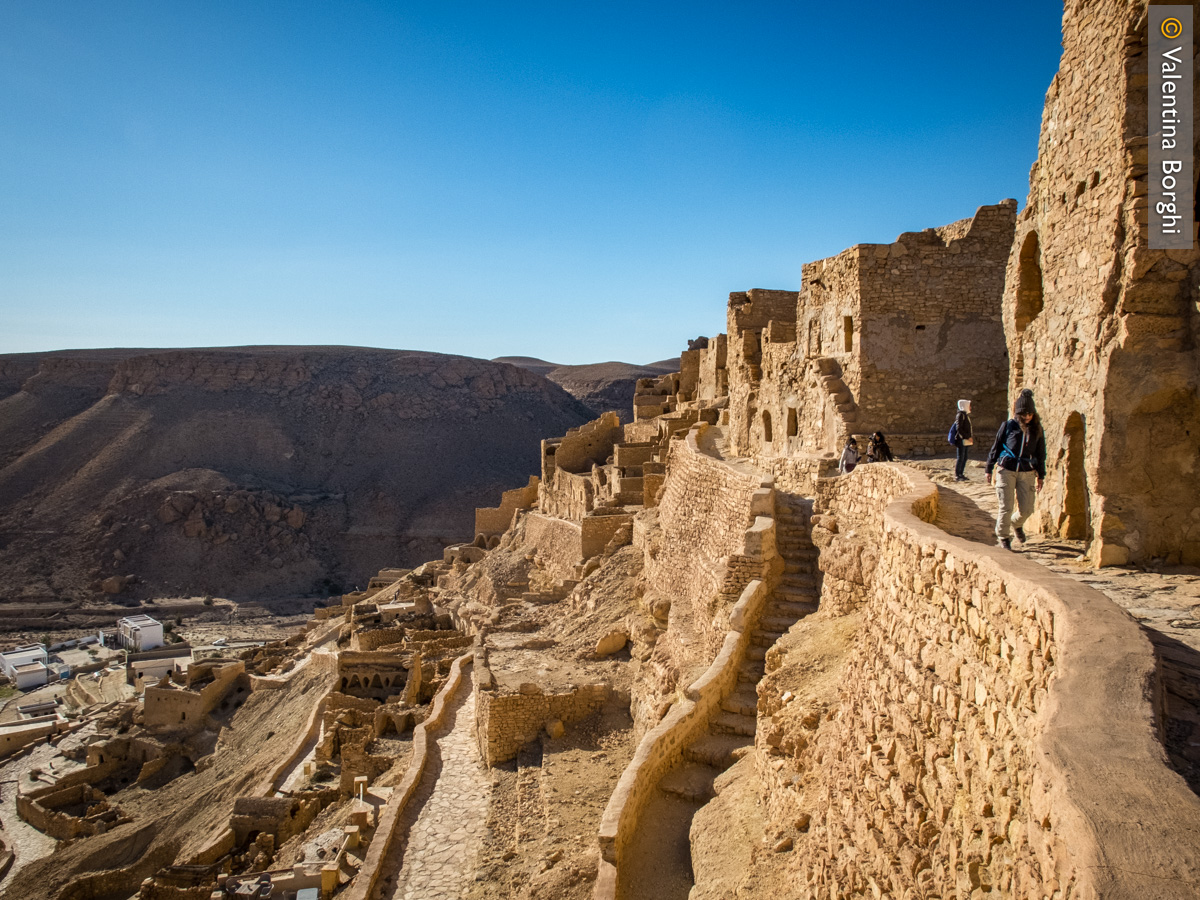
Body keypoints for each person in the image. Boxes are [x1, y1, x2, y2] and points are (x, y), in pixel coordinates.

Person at [985, 389, 1046, 550]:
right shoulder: (1008, 426)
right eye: (1024, 414)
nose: (1027, 417)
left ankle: (1016, 524)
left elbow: (1041, 453)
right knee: (1006, 506)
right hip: (1006, 470)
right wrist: (989, 467)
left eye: (1030, 414)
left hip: (1027, 472)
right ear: (1018, 413)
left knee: (1027, 509)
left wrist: (1041, 475)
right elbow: (996, 447)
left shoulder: (1037, 429)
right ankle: (1004, 537)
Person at [949, 399, 973, 481]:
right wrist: (967, 437)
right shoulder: (960, 415)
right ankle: (957, 475)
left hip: (965, 440)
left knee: (964, 457)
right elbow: (959, 429)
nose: (970, 407)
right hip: (961, 440)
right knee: (960, 457)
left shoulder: (965, 415)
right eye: (969, 405)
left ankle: (961, 474)